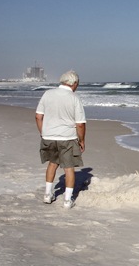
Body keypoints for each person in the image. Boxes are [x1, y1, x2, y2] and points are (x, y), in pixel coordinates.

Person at [35, 70, 86, 209]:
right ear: (74, 83)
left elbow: (38, 116)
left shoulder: (48, 94)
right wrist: (82, 140)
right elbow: (80, 124)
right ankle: (67, 200)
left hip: (49, 136)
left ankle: (47, 194)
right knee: (69, 169)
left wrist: (43, 132)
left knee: (52, 164)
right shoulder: (74, 98)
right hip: (67, 137)